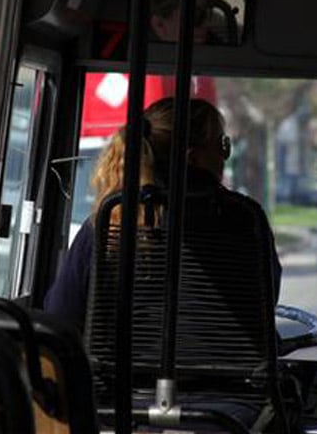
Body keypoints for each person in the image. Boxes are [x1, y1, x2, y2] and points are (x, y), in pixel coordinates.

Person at [44, 97, 282, 334]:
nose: (225, 156)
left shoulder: (110, 222)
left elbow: (62, 313)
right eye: (223, 145)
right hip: (228, 371)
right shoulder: (247, 219)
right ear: (192, 157)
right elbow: (264, 303)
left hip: (120, 372)